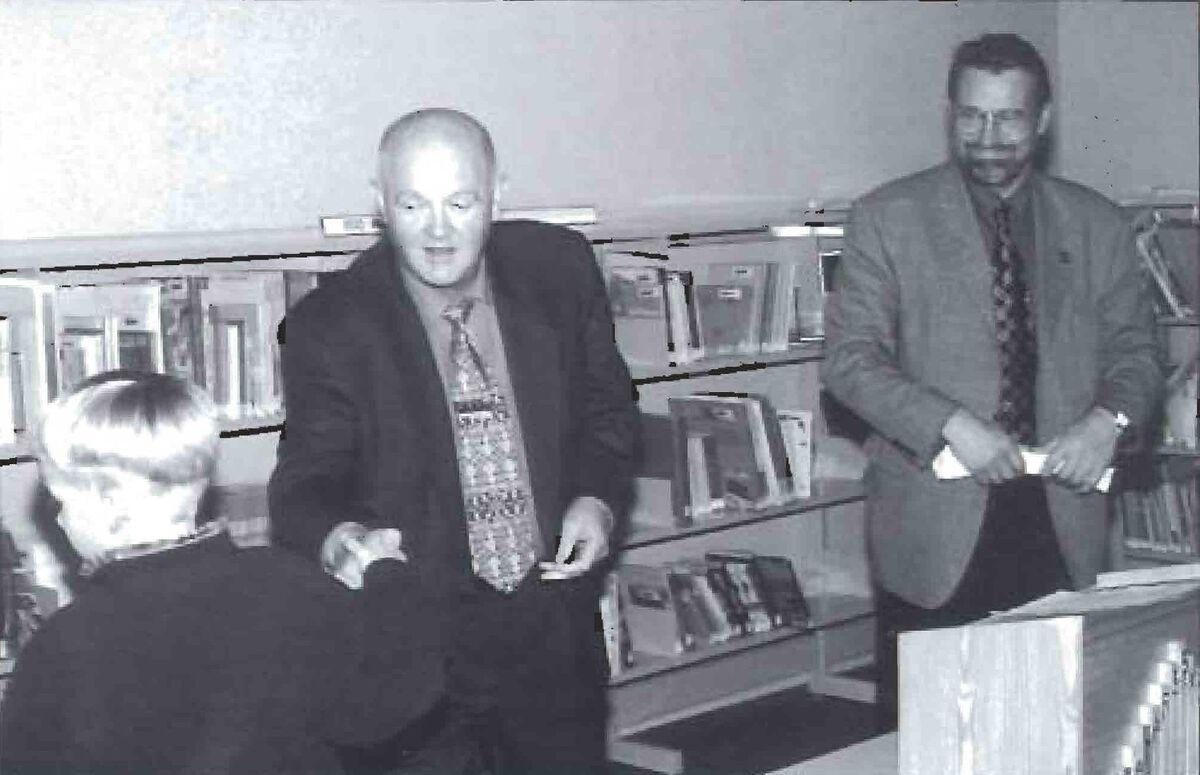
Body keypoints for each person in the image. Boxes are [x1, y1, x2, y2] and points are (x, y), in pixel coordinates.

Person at [268, 108, 637, 774]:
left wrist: (596, 499)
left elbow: (607, 410)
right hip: (414, 645)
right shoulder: (330, 325)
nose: (438, 232)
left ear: (497, 197)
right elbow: (303, 485)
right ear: (381, 204)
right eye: (413, 205)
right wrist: (343, 538)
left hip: (549, 624)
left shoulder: (560, 270)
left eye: (460, 204)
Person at [821, 33, 1163, 731]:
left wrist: (1109, 422)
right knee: (932, 736)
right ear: (950, 114)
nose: (987, 137)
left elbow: (1138, 353)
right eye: (971, 116)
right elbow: (849, 361)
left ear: (1043, 120)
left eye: (1008, 118)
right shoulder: (887, 218)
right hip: (932, 524)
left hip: (1060, 521)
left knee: (1046, 730)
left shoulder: (1096, 223)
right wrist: (950, 423)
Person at [0, 371, 442, 774]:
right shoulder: (291, 584)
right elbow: (388, 703)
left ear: (108, 501)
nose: (59, 518)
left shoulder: (67, 646)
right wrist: (387, 577)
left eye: (61, 501)